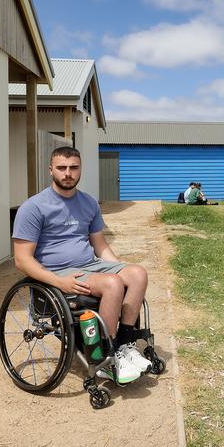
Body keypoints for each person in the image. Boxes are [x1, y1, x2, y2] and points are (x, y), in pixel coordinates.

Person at [12, 146, 152, 384]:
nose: (68, 173)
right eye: (62, 168)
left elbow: (99, 244)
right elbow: (22, 259)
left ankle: (124, 345)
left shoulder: (88, 203)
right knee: (113, 284)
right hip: (57, 273)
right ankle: (103, 358)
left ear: (80, 170)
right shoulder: (33, 207)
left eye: (73, 168)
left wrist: (121, 267)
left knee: (137, 274)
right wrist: (59, 282)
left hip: (90, 266)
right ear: (51, 170)